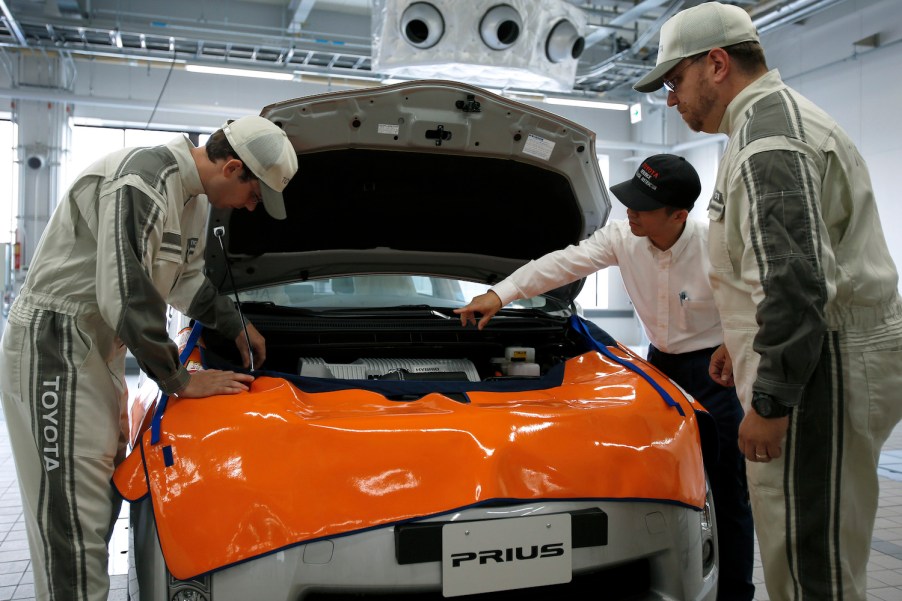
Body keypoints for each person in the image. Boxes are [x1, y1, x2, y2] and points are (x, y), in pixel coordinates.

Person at [632, 3, 902, 600]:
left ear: (717, 64)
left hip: (820, 377)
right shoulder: (757, 128)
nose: (671, 98)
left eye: (675, 81)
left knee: (813, 569)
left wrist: (773, 403)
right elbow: (770, 268)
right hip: (814, 363)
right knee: (801, 554)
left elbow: (798, 284)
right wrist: (739, 340)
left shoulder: (767, 143)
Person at [0, 115, 298, 600]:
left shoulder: (195, 200)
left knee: (94, 509)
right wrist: (179, 379)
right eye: (254, 195)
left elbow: (184, 280)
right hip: (55, 346)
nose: (250, 208)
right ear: (234, 168)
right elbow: (124, 293)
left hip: (99, 350)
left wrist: (234, 323)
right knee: (71, 529)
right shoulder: (145, 177)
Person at [455, 153, 755, 600]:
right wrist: (501, 294)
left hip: (717, 370)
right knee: (663, 475)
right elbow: (561, 263)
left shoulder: (718, 244)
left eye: (643, 207)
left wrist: (734, 341)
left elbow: (752, 297)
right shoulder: (622, 237)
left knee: (728, 485)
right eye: (629, 202)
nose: (630, 212)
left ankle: (734, 590)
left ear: (678, 214)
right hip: (661, 364)